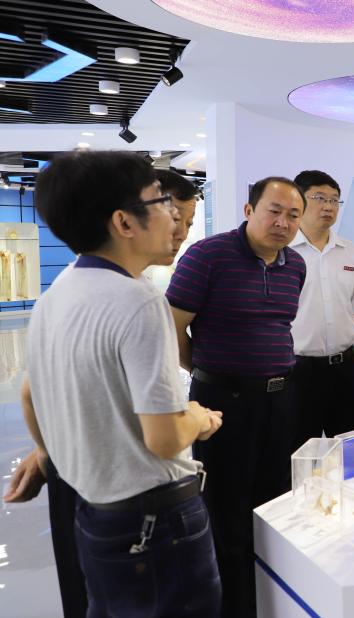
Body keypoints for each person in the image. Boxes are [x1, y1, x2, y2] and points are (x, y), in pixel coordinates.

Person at [21, 150, 222, 617]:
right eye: (159, 201)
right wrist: (197, 418)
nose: (173, 216)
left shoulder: (57, 294)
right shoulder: (139, 301)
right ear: (124, 222)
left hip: (98, 515)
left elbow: (30, 394)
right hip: (158, 522)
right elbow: (164, 439)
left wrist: (48, 454)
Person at [166, 177, 306, 618]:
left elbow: (279, 326)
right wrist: (205, 371)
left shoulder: (296, 265)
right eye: (274, 211)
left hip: (280, 399)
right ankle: (234, 607)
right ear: (249, 211)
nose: (283, 223)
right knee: (227, 513)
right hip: (222, 402)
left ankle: (271, 601)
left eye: (293, 215)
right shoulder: (208, 255)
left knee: (276, 504)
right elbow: (172, 327)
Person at [289, 170, 354, 449]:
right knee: (298, 452)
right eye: (320, 198)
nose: (328, 206)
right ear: (298, 201)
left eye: (334, 200)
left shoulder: (350, 251)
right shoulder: (282, 251)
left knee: (353, 452)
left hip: (345, 369)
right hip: (296, 371)